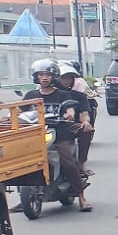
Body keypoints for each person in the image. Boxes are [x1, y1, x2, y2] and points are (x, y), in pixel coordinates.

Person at [21, 58, 92, 211]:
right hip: (35, 135)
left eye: (47, 74)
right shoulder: (30, 95)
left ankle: (81, 196)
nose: (44, 78)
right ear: (36, 77)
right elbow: (20, 113)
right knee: (21, 161)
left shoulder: (62, 95)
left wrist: (69, 115)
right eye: (41, 75)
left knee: (68, 161)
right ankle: (25, 196)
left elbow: (70, 109)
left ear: (54, 76)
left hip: (59, 133)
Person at [54, 63, 97, 173]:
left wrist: (86, 122)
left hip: (67, 127)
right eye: (64, 77)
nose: (67, 80)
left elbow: (84, 114)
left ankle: (81, 163)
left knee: (87, 130)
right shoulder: (36, 94)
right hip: (45, 127)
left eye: (70, 77)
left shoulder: (79, 96)